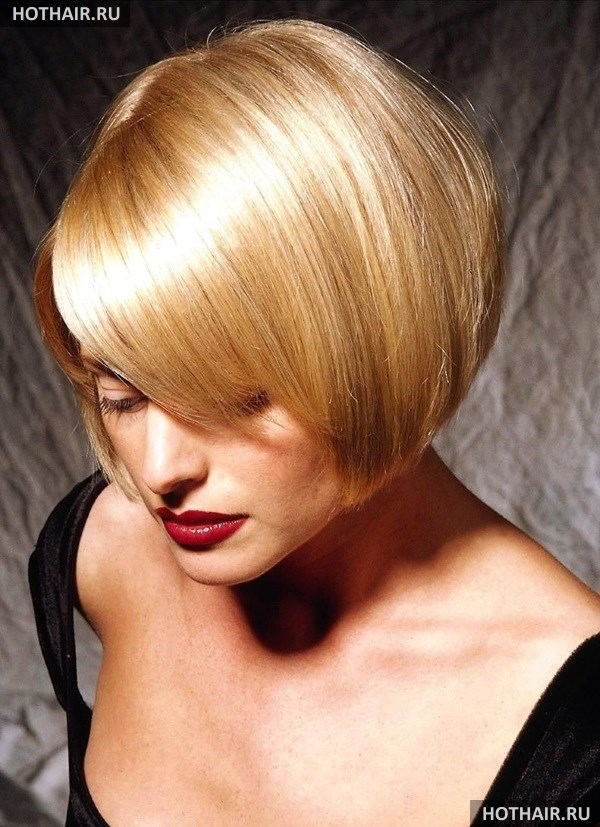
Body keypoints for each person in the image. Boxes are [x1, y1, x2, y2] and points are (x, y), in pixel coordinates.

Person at [30, 18, 600, 827]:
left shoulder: (574, 739)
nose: (157, 470)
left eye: (231, 399)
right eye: (121, 396)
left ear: (387, 348)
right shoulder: (95, 554)